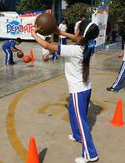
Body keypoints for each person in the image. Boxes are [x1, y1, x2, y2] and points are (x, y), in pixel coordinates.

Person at [32, 21, 99, 163]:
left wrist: (33, 34)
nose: (74, 32)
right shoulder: (89, 44)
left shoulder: (74, 50)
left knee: (82, 122)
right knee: (72, 111)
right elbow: (76, 38)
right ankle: (77, 135)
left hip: (78, 90)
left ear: (80, 33)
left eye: (76, 29)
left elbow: (46, 46)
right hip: (86, 87)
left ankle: (90, 154)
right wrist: (59, 31)